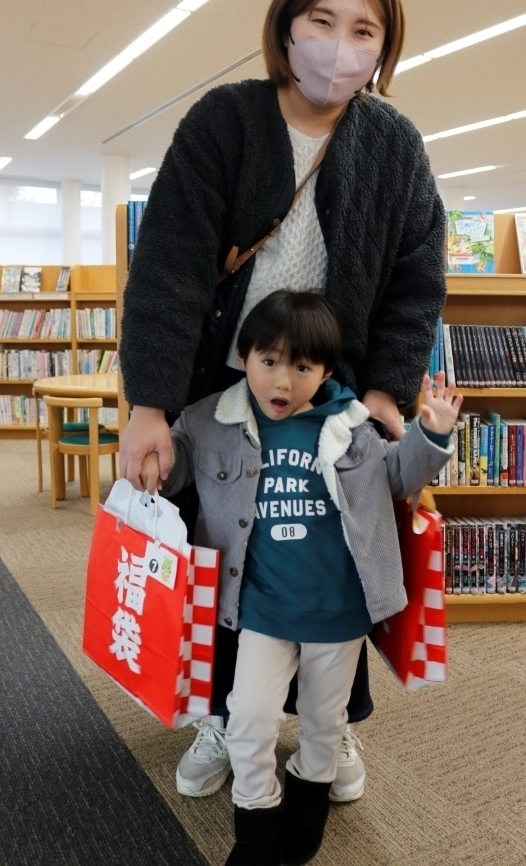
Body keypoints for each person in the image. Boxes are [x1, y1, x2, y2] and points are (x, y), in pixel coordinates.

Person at [119, 0, 447, 803]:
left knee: (333, 557)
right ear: (286, 25)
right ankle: (224, 719)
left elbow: (417, 278)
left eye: (362, 30)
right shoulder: (223, 122)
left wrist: (383, 391)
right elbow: (169, 264)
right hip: (221, 399)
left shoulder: (392, 143)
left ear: (384, 46)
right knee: (225, 558)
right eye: (321, 22)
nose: (339, 47)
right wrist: (149, 405)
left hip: (332, 402)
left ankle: (329, 733)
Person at [140, 291, 461, 866]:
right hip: (260, 612)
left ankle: (307, 806)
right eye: (269, 362)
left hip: (336, 617)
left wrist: (429, 437)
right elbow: (176, 470)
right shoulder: (213, 421)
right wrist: (151, 460)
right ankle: (256, 822)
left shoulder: (352, 428)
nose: (282, 381)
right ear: (244, 357)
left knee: (323, 724)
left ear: (327, 371)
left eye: (302, 367)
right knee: (248, 717)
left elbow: (395, 479)